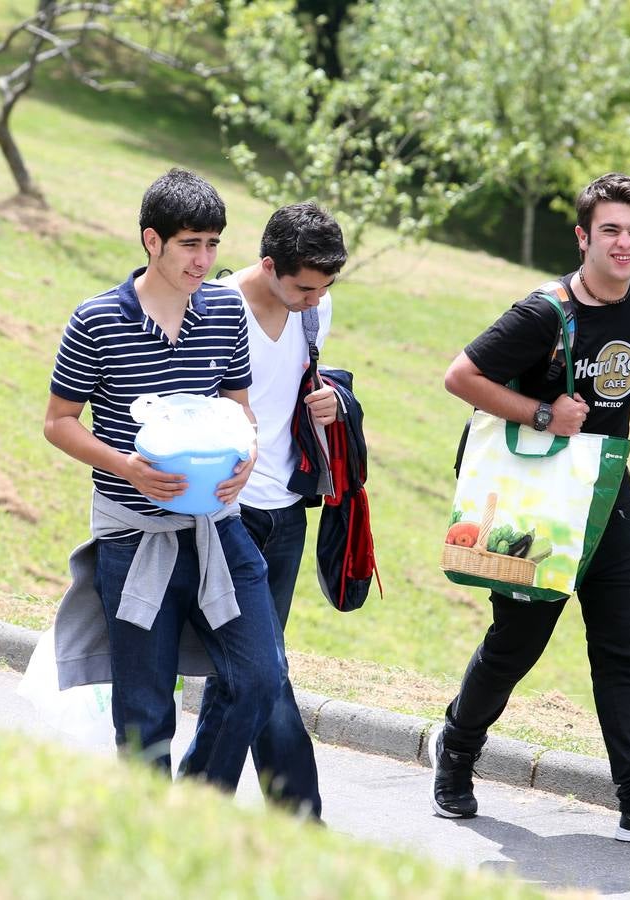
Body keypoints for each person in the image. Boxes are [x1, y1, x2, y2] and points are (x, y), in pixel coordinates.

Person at [430, 173, 630, 845]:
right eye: (611, 230)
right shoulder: (544, 312)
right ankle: (456, 752)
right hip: (536, 500)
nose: (625, 243)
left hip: (607, 494)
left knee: (621, 651)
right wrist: (542, 411)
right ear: (584, 236)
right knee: (516, 645)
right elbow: (460, 376)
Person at [44, 168, 283, 792]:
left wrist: (246, 460)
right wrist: (127, 468)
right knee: (145, 710)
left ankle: (199, 804)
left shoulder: (227, 311)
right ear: (152, 241)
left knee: (259, 673)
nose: (203, 260)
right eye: (189, 244)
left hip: (217, 529)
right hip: (134, 538)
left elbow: (241, 411)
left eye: (212, 244)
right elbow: (58, 422)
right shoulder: (97, 320)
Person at [211, 202, 347, 818]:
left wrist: (332, 401)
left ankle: (195, 802)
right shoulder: (217, 308)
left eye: (324, 288)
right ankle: (299, 816)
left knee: (250, 669)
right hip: (229, 515)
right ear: (268, 266)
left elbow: (303, 387)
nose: (315, 299)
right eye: (303, 287)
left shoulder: (313, 309)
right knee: (262, 666)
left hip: (288, 511)